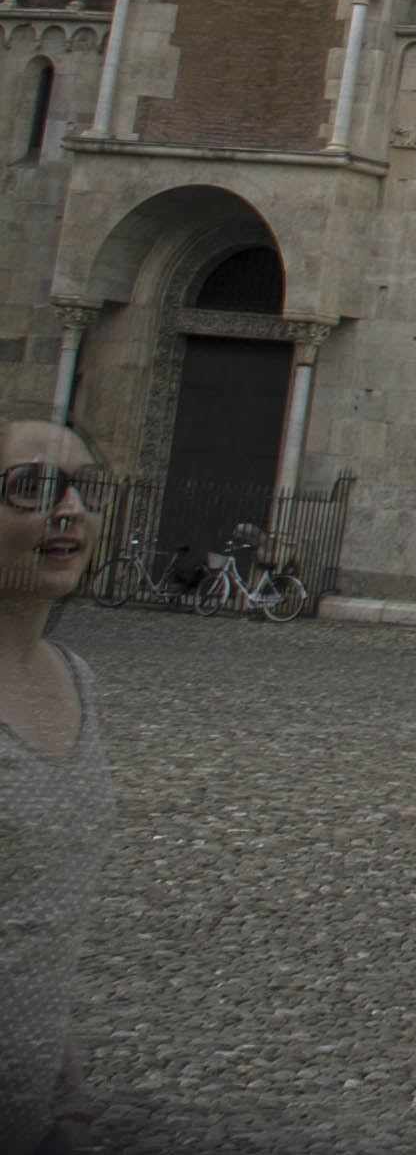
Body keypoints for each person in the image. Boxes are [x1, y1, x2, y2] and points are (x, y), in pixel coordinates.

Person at [0, 422, 110, 1154]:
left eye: (81, 487)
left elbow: (36, 919)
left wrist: (64, 1092)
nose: (67, 508)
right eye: (32, 488)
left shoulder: (76, 679)